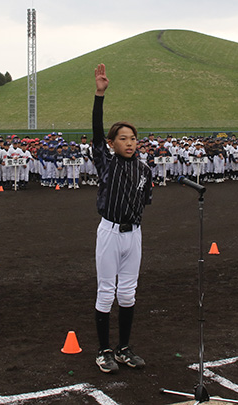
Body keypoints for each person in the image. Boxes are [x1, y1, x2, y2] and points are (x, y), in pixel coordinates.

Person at [91, 63, 152, 374]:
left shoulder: (144, 170)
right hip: (111, 233)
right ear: (113, 144)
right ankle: (103, 351)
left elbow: (145, 201)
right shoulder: (107, 163)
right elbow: (97, 133)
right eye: (123, 138)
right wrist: (100, 95)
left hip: (134, 235)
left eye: (133, 138)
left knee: (128, 292)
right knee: (106, 291)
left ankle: (124, 348)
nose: (129, 142)